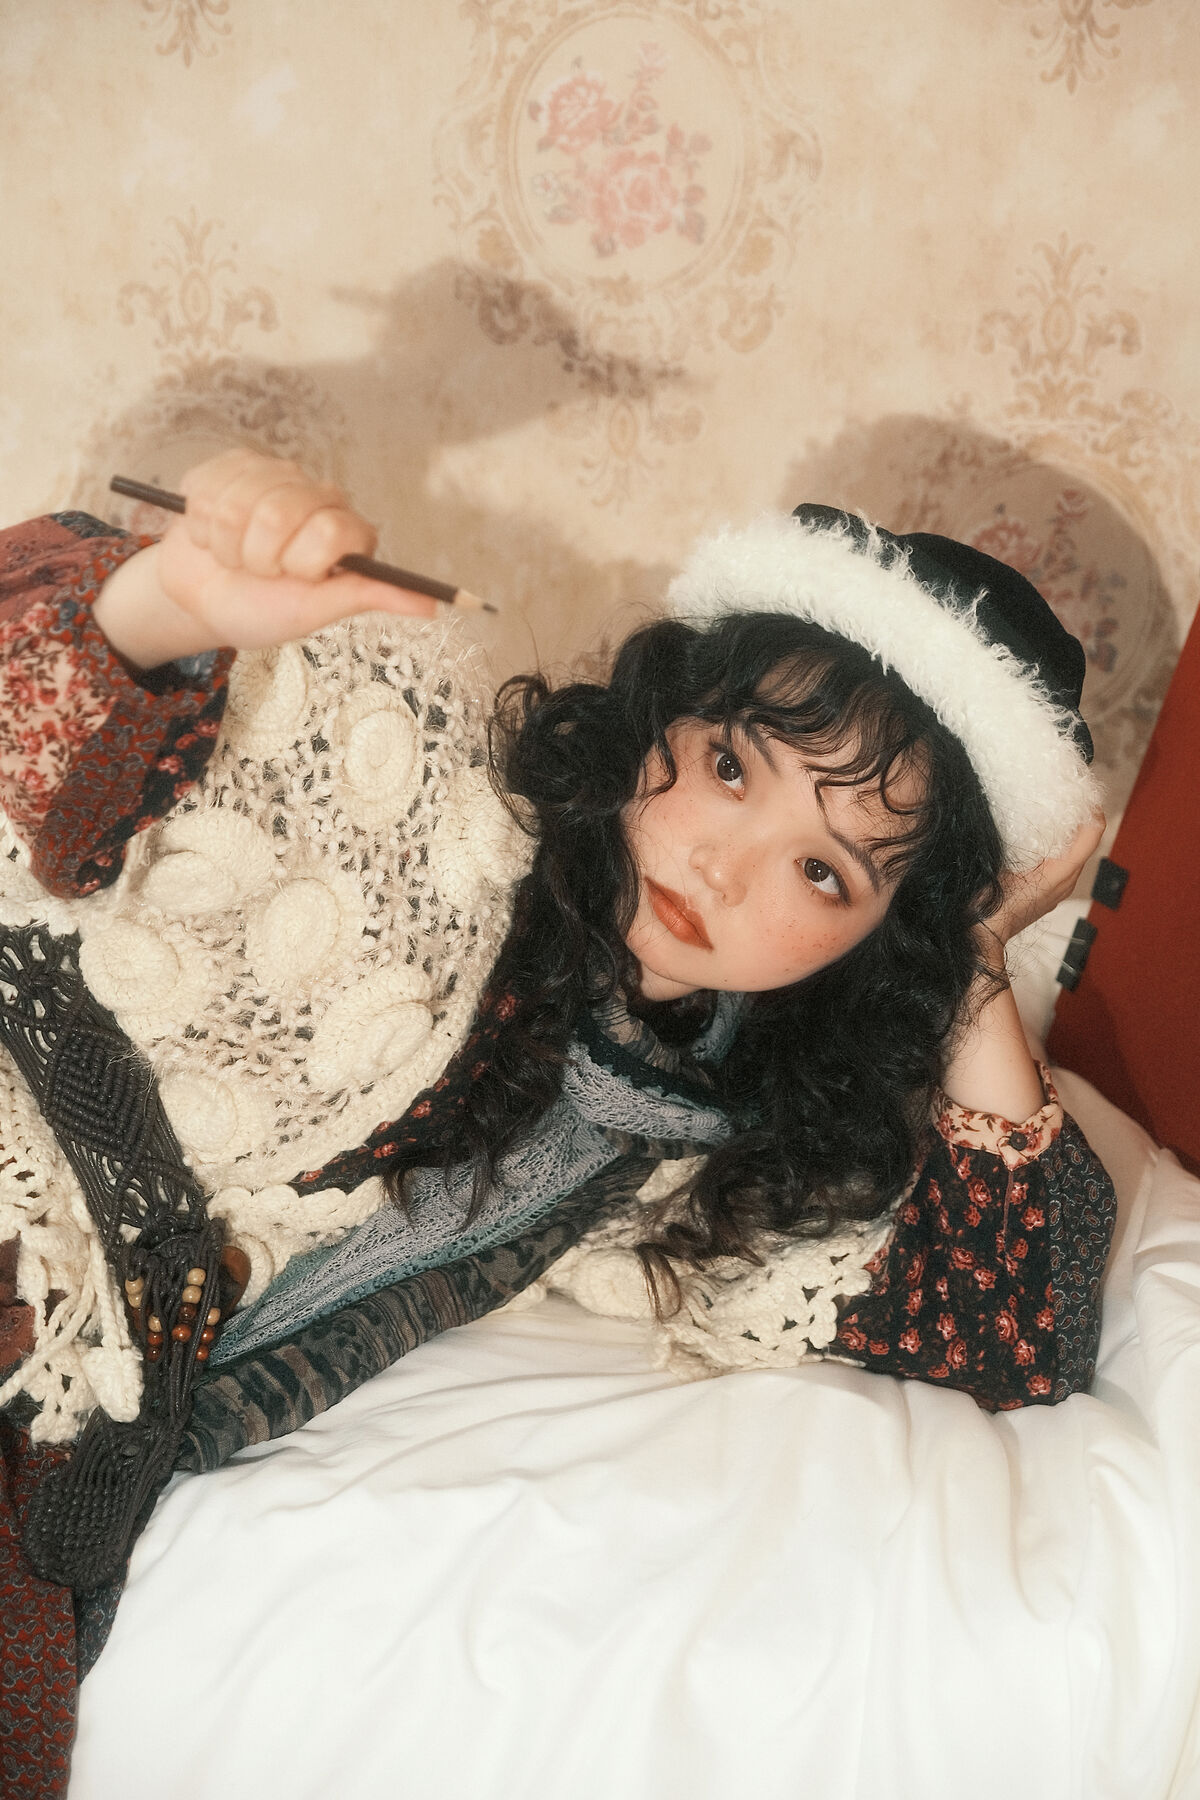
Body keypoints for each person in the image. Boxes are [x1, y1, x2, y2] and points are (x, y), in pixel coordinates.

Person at [0, 451, 1114, 1786]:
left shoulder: (690, 1138)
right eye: (731, 766)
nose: (724, 864)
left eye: (824, 872)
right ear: (663, 721)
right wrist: (170, 605)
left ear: (879, 941)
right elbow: (42, 741)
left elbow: (1011, 1334)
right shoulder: (429, 801)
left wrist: (971, 960)